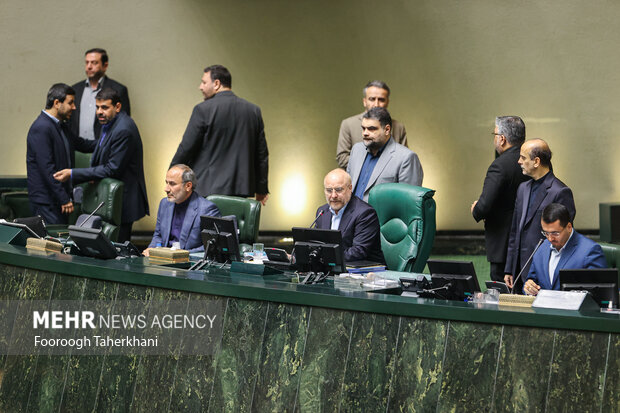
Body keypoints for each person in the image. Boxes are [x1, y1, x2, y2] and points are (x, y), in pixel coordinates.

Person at [54, 88, 148, 242]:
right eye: (97, 107)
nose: (99, 112)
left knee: (118, 252)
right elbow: (97, 146)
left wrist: (72, 173)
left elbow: (112, 169)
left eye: (104, 107)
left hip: (122, 201)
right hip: (112, 200)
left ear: (117, 107)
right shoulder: (112, 124)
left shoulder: (123, 129)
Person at [170, 65, 269, 205]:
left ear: (217, 84)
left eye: (204, 82)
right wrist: (261, 189)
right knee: (233, 227)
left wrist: (172, 178)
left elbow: (186, 148)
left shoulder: (203, 110)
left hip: (207, 190)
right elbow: (261, 155)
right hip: (240, 190)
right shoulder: (253, 111)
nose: (200, 87)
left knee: (205, 227)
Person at [504, 139, 576, 291]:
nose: (518, 161)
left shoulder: (560, 192)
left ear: (536, 161)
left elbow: (563, 239)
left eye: (523, 158)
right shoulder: (522, 188)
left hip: (543, 274)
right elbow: (515, 231)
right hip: (518, 272)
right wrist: (509, 268)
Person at [26, 83, 96, 224]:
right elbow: (47, 168)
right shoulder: (41, 128)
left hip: (57, 200)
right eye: (70, 103)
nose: (74, 107)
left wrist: (108, 142)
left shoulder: (60, 126)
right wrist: (63, 198)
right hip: (47, 202)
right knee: (54, 243)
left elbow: (83, 144)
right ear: (57, 103)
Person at [471, 116, 529, 282]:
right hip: (528, 242)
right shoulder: (534, 161)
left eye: (495, 134)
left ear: (502, 139)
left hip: (503, 243)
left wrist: (476, 208)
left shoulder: (499, 165)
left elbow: (484, 206)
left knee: (501, 293)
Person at [523, 203, 607, 295]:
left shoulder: (590, 251)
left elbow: (598, 292)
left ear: (569, 227)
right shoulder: (542, 247)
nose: (550, 238)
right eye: (546, 233)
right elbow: (531, 280)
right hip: (543, 307)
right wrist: (529, 288)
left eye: (555, 233)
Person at [347, 107, 423, 202]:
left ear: (387, 130)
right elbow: (347, 187)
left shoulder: (406, 158)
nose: (365, 133)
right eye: (363, 128)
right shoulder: (356, 150)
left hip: (380, 217)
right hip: (349, 215)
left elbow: (408, 203)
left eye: (371, 129)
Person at [143, 165, 220, 256]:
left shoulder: (207, 209)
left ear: (188, 186)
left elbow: (210, 245)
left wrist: (180, 254)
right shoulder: (164, 204)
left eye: (172, 184)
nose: (166, 189)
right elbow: (158, 235)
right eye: (166, 183)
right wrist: (152, 248)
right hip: (163, 260)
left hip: (189, 263)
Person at [313, 168, 384, 263]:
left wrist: (324, 258)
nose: (333, 195)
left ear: (350, 188)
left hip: (365, 272)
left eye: (338, 190)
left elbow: (358, 252)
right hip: (333, 269)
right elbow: (315, 243)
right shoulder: (322, 212)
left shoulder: (365, 213)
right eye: (329, 190)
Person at [337, 80, 408, 169]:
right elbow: (342, 158)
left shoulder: (399, 127)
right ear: (364, 101)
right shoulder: (348, 124)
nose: (376, 104)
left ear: (387, 102)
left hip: (390, 181)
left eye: (381, 100)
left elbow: (404, 158)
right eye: (372, 99)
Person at [69, 48, 130, 141]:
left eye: (94, 63)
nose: (89, 66)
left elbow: (123, 123)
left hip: (104, 147)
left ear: (105, 66)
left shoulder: (118, 90)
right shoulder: (75, 89)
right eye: (87, 62)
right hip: (77, 148)